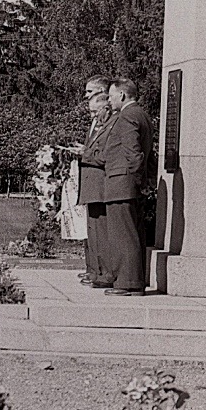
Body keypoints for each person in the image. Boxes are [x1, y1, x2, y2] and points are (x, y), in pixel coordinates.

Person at [98, 77, 152, 296]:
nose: (109, 101)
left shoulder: (127, 116)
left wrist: (135, 178)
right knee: (131, 232)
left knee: (123, 234)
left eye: (111, 96)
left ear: (121, 95)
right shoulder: (141, 114)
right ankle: (131, 279)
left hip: (122, 182)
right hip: (128, 182)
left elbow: (133, 153)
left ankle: (128, 282)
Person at [76, 79, 115, 286]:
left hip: (101, 184)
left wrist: (86, 154)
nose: (86, 95)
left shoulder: (111, 123)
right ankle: (95, 270)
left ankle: (103, 273)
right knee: (92, 231)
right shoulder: (98, 122)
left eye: (90, 92)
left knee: (101, 231)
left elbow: (105, 154)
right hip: (92, 184)